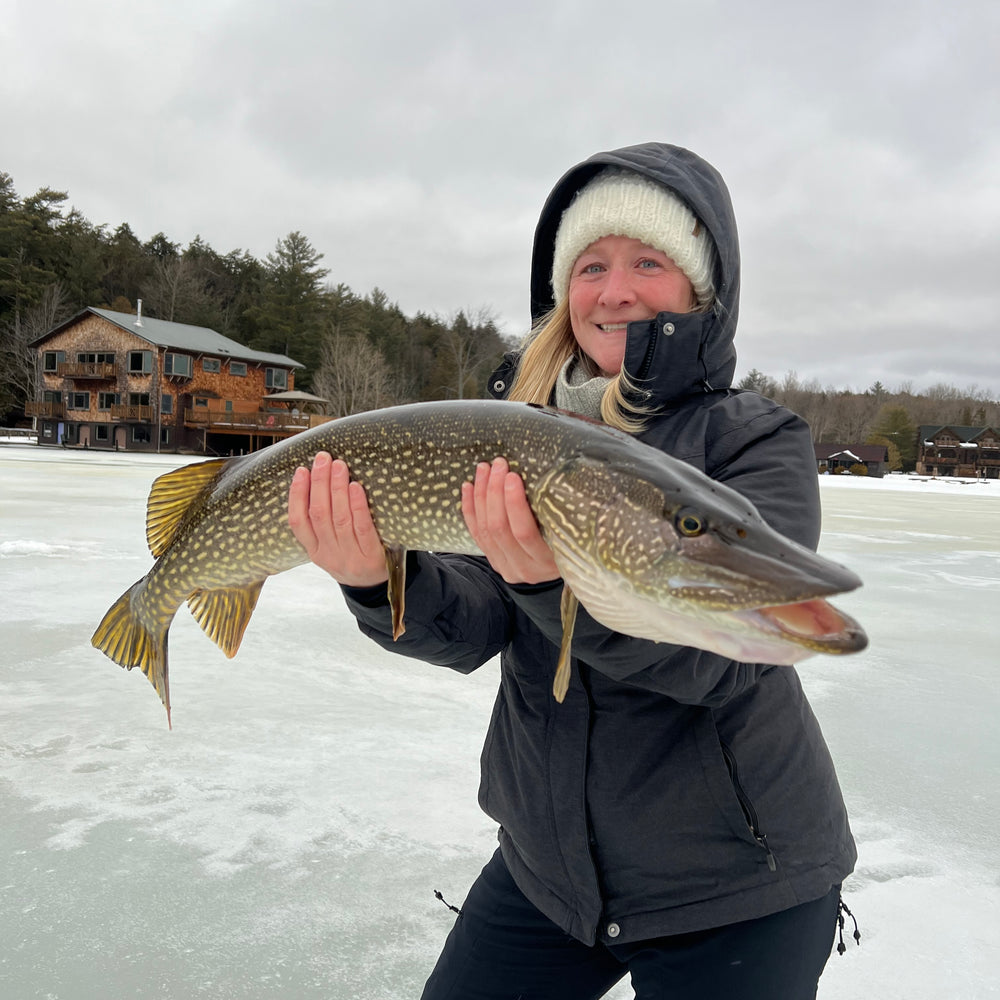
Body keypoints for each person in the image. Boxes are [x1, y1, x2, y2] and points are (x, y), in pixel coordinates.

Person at [287, 142, 857, 1000]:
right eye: (591, 265)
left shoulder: (751, 439)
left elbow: (714, 661)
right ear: (563, 293)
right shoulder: (512, 438)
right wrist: (374, 581)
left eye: (648, 262)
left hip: (740, 883)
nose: (616, 289)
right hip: (550, 871)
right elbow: (469, 629)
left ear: (699, 289)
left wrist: (553, 592)